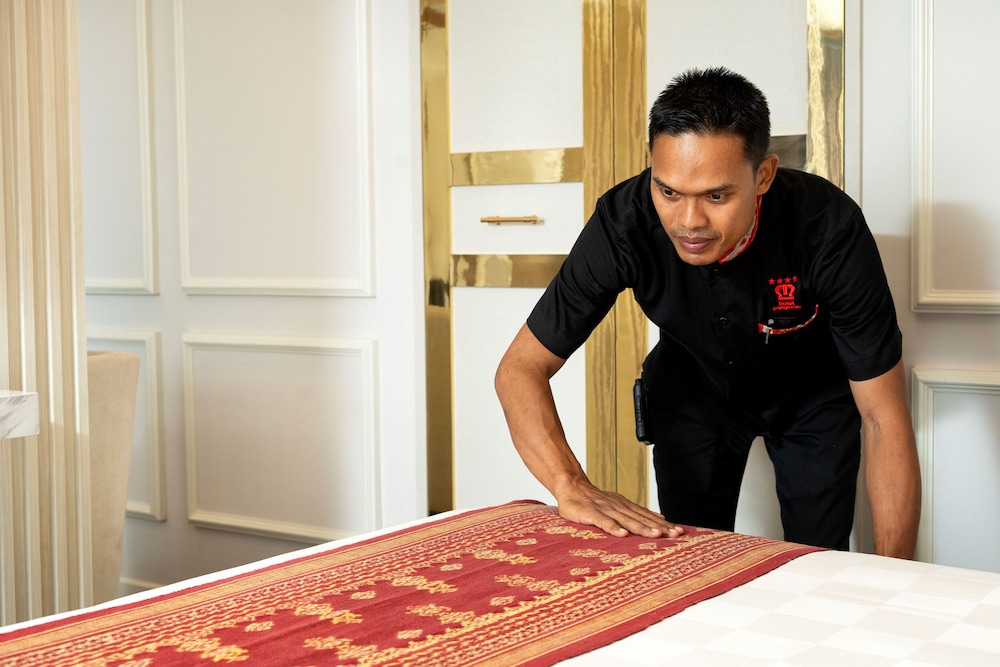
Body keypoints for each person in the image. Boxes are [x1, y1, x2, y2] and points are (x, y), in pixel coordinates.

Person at [494, 67, 921, 559]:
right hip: (690, 393)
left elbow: (883, 416)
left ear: (763, 176)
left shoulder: (828, 227)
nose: (689, 222)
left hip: (811, 397)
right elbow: (519, 369)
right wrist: (570, 485)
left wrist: (899, 580)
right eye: (668, 192)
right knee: (689, 555)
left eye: (716, 196)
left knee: (818, 558)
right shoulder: (623, 223)